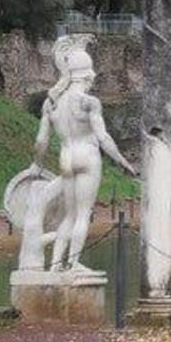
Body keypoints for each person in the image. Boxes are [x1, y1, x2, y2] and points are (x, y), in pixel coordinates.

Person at [35, 47, 137, 273]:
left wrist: (37, 165)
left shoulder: (51, 102)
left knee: (68, 217)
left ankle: (54, 266)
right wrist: (122, 161)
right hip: (87, 155)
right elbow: (103, 137)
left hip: (66, 157)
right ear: (88, 75)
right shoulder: (89, 102)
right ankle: (72, 264)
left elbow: (41, 141)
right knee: (82, 215)